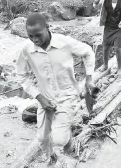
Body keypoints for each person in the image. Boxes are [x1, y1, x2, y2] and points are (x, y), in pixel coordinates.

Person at [14, 13, 96, 167]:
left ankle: (66, 143)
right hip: (45, 98)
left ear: (47, 28)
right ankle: (56, 157)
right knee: (43, 140)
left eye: (38, 35)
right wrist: (39, 97)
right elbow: (22, 76)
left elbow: (88, 52)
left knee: (58, 138)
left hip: (68, 96)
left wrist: (89, 79)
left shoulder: (64, 43)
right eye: (31, 36)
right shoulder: (25, 49)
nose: (35, 40)